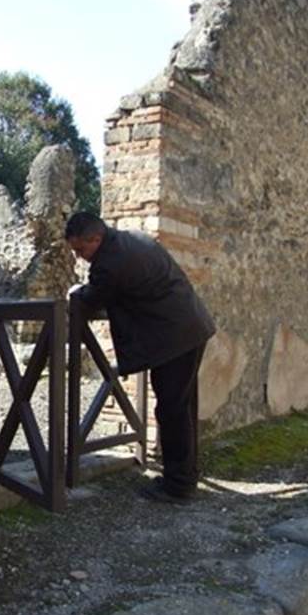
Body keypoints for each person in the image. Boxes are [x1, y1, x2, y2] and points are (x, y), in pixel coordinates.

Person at [65, 212, 215, 502]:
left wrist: (76, 294)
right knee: (182, 407)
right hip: (189, 329)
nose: (79, 257)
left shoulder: (110, 262)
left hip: (174, 337)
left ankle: (178, 486)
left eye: (81, 250)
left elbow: (92, 298)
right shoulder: (129, 239)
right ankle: (185, 476)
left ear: (95, 239)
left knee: (172, 411)